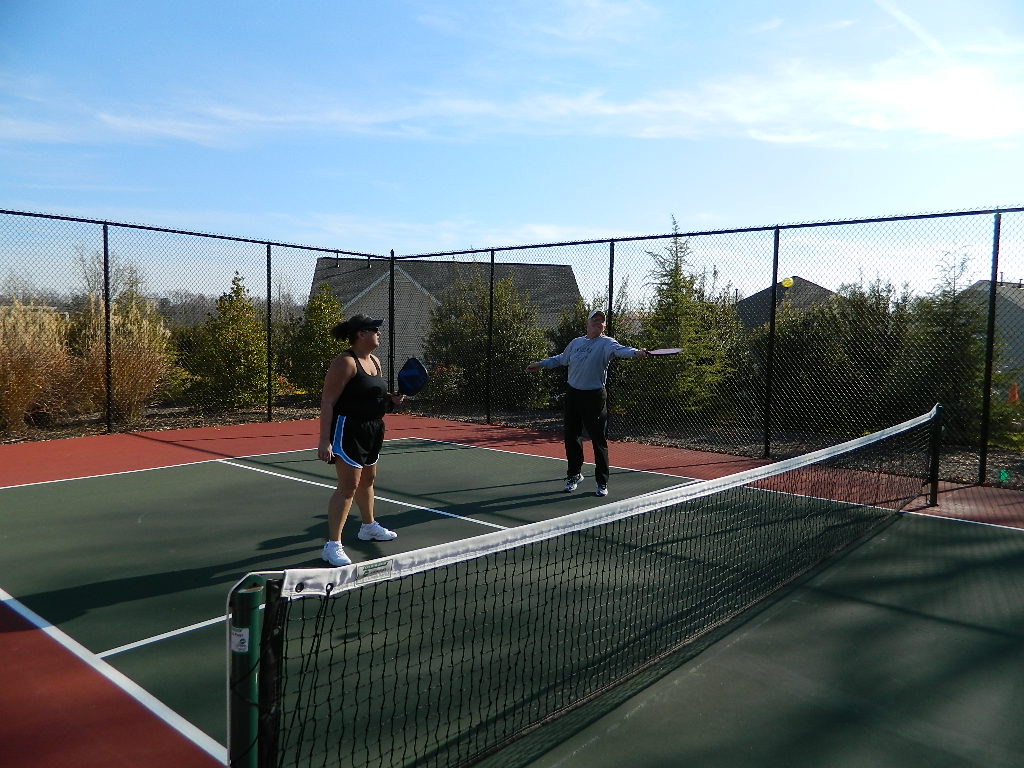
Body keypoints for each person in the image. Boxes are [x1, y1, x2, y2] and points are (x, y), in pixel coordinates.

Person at [526, 309, 648, 497]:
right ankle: (574, 475)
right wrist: (541, 364)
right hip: (573, 395)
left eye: (601, 321)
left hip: (594, 397)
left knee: (598, 440)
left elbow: (622, 350)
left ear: (604, 326)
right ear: (587, 323)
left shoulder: (607, 343)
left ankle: (601, 482)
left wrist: (636, 353)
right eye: (595, 320)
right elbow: (561, 359)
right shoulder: (576, 343)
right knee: (571, 437)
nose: (598, 323)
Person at [317, 314, 405, 566]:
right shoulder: (345, 362)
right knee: (348, 487)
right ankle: (332, 545)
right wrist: (324, 440)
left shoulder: (375, 361)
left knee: (368, 479)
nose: (379, 333)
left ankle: (368, 527)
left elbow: (368, 392)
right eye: (374, 330)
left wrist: (390, 399)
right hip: (348, 429)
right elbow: (328, 401)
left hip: (373, 429)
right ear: (361, 334)